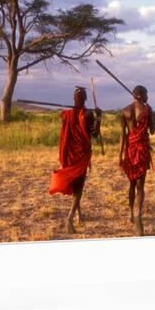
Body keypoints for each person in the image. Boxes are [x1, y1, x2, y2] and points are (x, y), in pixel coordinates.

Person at [49, 86, 102, 233]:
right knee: (79, 188)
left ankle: (79, 214)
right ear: (85, 99)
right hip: (81, 156)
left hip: (68, 155)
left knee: (76, 186)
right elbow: (95, 134)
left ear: (74, 99)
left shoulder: (67, 114)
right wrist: (99, 118)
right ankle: (70, 218)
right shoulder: (87, 114)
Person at [119, 85, 155, 236]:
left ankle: (131, 213)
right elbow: (152, 131)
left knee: (131, 183)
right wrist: (154, 118)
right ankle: (137, 216)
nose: (148, 97)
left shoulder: (125, 110)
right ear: (141, 95)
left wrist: (119, 154)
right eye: (147, 94)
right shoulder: (147, 110)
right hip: (141, 150)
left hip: (129, 151)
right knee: (140, 187)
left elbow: (123, 135)